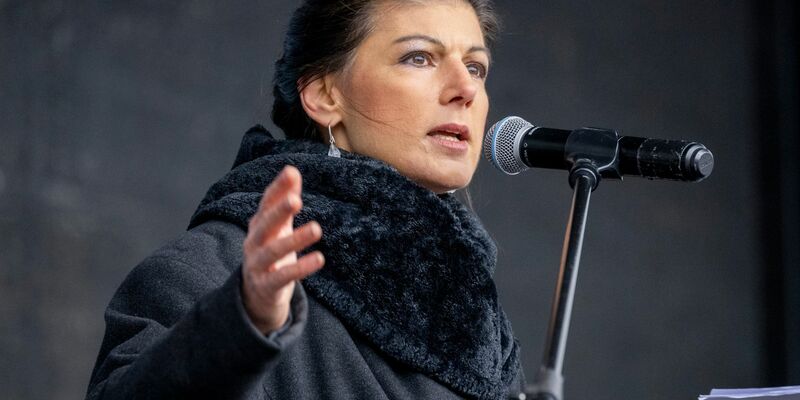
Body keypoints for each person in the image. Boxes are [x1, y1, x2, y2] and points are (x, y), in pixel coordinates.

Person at [86, 0, 524, 399]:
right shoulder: (209, 273)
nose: (464, 89)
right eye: (419, 58)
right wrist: (243, 322)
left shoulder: (485, 328)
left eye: (476, 67)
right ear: (324, 95)